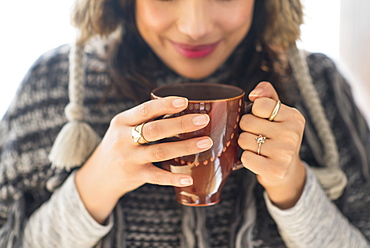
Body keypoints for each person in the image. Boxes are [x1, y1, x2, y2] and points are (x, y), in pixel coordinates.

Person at [0, 0, 369, 247]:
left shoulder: (317, 84)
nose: (195, 26)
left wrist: (293, 187)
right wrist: (94, 185)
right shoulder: (54, 83)